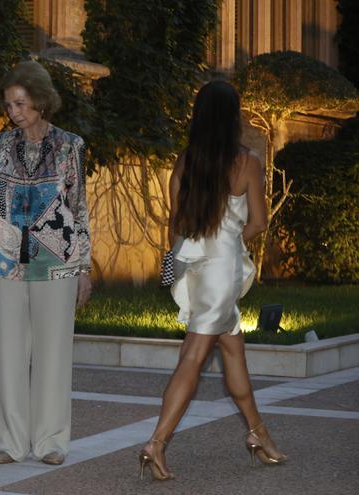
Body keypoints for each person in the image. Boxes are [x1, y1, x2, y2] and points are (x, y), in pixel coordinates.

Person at [138, 80, 287, 481]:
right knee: (193, 356)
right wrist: (229, 237)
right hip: (221, 266)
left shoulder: (185, 161)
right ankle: (157, 443)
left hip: (192, 260)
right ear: (232, 117)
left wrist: (187, 256)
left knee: (233, 350)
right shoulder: (247, 162)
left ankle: (258, 435)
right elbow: (258, 222)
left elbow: (175, 225)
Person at [0, 60, 92, 466]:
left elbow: (78, 208)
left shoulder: (71, 145)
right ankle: (9, 442)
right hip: (4, 259)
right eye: (8, 105)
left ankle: (51, 442)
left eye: (20, 104)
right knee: (7, 353)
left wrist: (84, 268)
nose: (13, 112)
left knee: (54, 352)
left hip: (58, 259)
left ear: (40, 101)